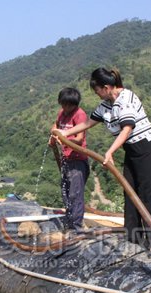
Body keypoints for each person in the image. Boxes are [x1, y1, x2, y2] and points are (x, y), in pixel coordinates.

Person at [53, 68, 151, 253]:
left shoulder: (126, 98)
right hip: (131, 149)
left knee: (147, 192)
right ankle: (133, 236)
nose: (97, 95)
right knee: (130, 190)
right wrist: (64, 133)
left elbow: (127, 128)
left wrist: (110, 152)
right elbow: (88, 123)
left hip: (146, 147)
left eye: (97, 91)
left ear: (106, 87)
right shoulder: (106, 104)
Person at [49, 87, 90, 231]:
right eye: (63, 104)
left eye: (69, 105)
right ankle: (69, 222)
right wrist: (53, 134)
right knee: (65, 192)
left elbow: (79, 139)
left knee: (75, 194)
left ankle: (76, 227)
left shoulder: (80, 115)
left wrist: (64, 138)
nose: (65, 108)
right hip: (66, 159)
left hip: (78, 160)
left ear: (75, 104)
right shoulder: (62, 113)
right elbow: (55, 125)